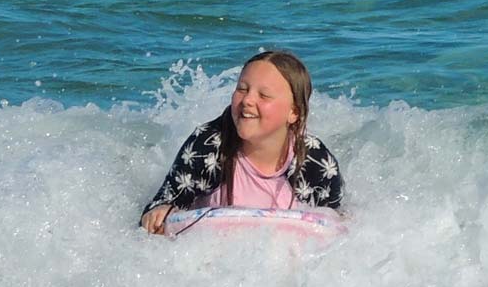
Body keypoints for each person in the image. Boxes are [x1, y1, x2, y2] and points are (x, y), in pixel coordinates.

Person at [140, 50, 344, 234]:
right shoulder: (208, 146)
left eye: (263, 95)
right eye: (242, 89)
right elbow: (162, 205)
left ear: (294, 112)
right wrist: (159, 213)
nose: (247, 100)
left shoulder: (316, 163)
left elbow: (335, 225)